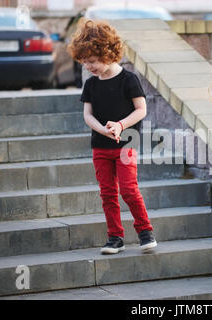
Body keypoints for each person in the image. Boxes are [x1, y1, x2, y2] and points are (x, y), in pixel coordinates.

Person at [67, 19, 157, 254]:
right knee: (107, 193)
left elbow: (141, 110)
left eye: (93, 61)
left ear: (108, 53)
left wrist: (119, 125)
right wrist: (103, 130)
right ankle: (115, 237)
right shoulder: (91, 85)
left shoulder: (129, 79)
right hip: (100, 148)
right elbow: (87, 115)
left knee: (128, 189)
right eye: (85, 62)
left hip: (126, 143)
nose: (89, 66)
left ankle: (145, 231)